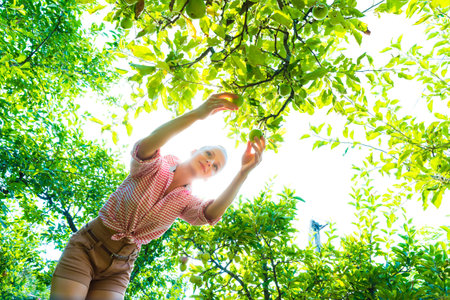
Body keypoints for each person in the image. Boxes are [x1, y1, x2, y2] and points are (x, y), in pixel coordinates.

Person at [50, 92, 266, 299]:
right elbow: (148, 144)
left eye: (216, 166)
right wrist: (197, 114)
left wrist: (242, 173)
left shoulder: (187, 202)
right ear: (194, 151)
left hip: (121, 266)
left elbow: (210, 214)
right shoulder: (152, 166)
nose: (210, 162)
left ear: (210, 177)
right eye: (208, 154)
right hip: (88, 246)